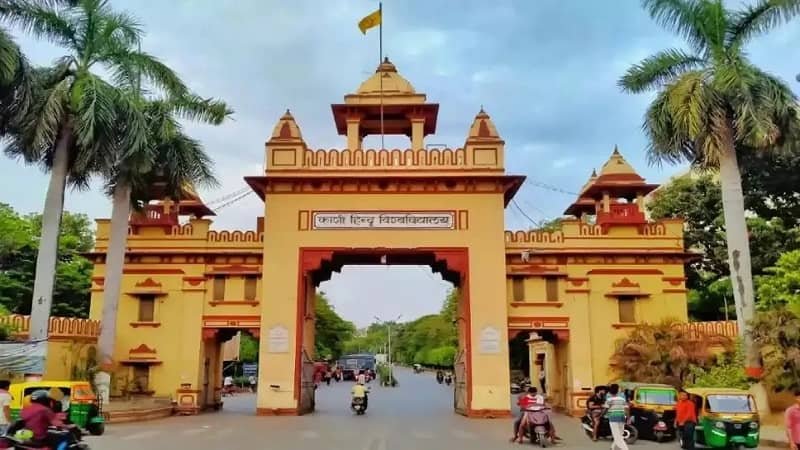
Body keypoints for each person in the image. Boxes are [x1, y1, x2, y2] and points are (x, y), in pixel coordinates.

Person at [604, 383, 630, 450]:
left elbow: (605, 409)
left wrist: (602, 415)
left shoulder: (609, 399)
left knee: (617, 436)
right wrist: (628, 418)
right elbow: (627, 409)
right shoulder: (622, 399)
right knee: (619, 434)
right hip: (622, 418)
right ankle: (612, 447)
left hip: (613, 418)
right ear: (618, 390)